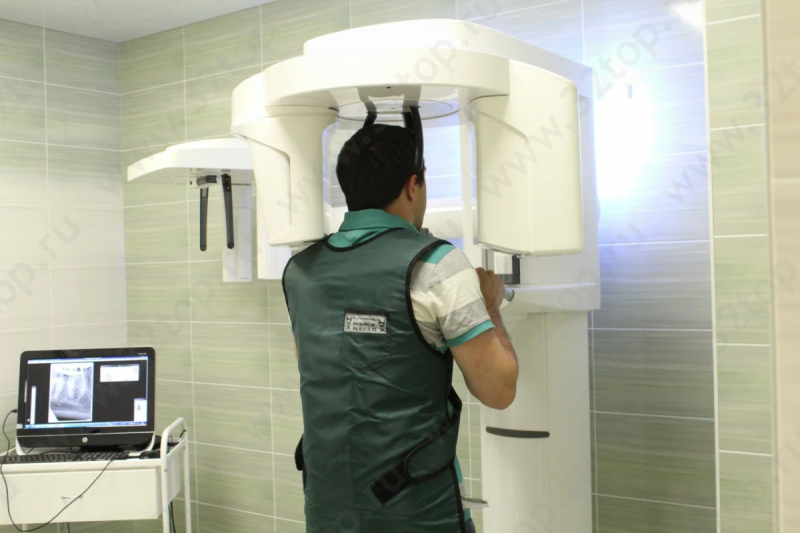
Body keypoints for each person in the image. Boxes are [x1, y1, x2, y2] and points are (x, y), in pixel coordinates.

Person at [283, 123, 519, 533]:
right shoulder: (439, 265)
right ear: (413, 186)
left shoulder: (300, 273)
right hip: (419, 515)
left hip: (327, 511)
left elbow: (321, 368)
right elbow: (499, 391)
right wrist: (490, 306)